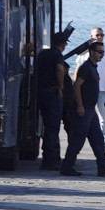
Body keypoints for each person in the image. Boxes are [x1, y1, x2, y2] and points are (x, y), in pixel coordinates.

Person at [60, 42, 105, 177]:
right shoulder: (86, 67)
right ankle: (67, 166)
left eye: (103, 52)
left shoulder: (93, 67)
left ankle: (103, 167)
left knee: (97, 139)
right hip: (84, 109)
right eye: (99, 52)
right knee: (78, 139)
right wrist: (80, 105)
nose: (102, 55)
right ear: (91, 52)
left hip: (91, 110)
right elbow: (77, 86)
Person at [72, 27, 105, 150]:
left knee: (104, 118)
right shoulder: (84, 55)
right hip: (87, 92)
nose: (100, 37)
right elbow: (77, 72)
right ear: (91, 36)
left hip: (103, 89)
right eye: (97, 35)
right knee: (86, 119)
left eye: (102, 34)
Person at [34, 30, 71, 170]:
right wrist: (61, 88)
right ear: (62, 44)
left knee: (46, 125)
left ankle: (48, 157)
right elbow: (60, 69)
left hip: (40, 92)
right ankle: (49, 159)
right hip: (52, 92)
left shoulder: (42, 53)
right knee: (52, 127)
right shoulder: (57, 55)